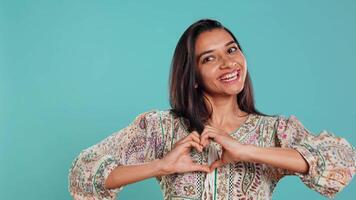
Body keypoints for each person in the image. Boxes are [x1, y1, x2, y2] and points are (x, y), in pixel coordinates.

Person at [68, 19, 355, 200]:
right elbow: (83, 174)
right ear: (192, 77)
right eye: (209, 58)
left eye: (231, 50)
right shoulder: (160, 128)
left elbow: (341, 163)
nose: (228, 63)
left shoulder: (274, 131)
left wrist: (246, 151)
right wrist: (161, 166)